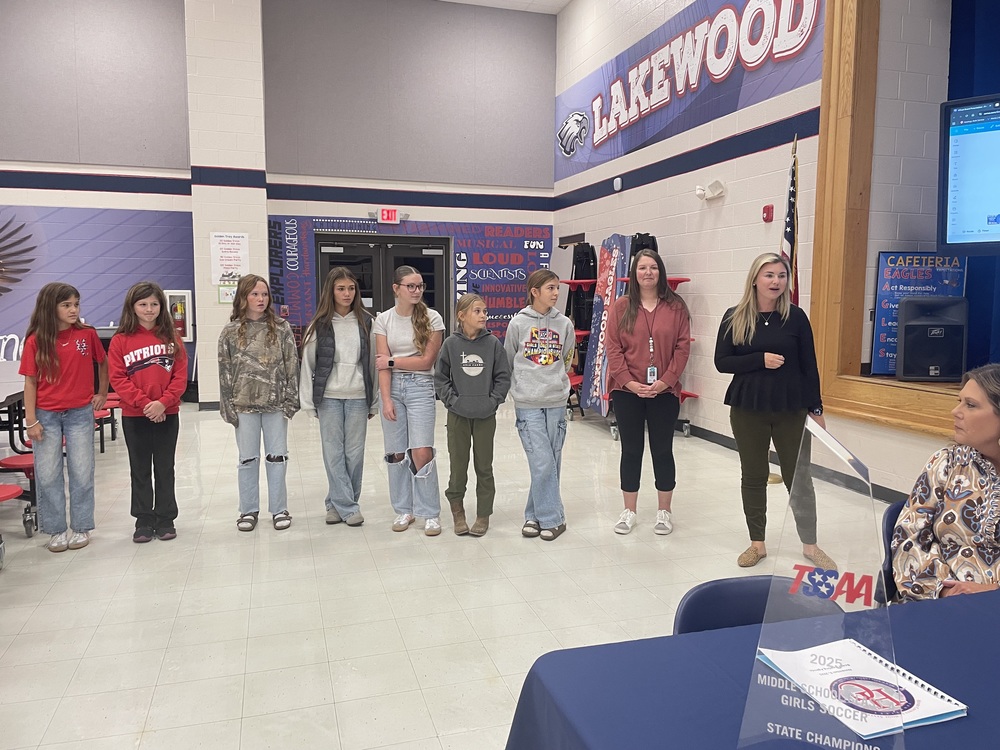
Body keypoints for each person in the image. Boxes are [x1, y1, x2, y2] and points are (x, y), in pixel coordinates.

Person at [714, 252, 835, 569]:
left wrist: (816, 406)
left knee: (800, 478)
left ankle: (810, 545)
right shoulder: (734, 316)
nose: (776, 281)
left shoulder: (796, 318)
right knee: (753, 476)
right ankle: (757, 544)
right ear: (755, 279)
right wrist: (759, 360)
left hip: (790, 408)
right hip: (747, 407)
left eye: (781, 275)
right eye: (769, 275)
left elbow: (810, 365)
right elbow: (722, 362)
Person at [892, 364, 1000, 601]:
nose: (955, 411)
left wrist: (991, 593)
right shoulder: (947, 463)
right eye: (959, 401)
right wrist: (943, 590)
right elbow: (909, 536)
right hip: (937, 601)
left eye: (970, 405)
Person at [606, 249, 691, 535]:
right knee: (631, 450)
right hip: (626, 391)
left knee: (662, 450)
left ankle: (664, 512)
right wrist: (629, 383)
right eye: (642, 268)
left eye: (653, 268)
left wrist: (666, 381)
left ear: (660, 272)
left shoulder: (676, 306)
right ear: (634, 273)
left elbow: (682, 347)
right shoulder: (621, 307)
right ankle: (629, 510)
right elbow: (613, 349)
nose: (648, 273)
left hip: (663, 392)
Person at [19, 282, 108, 552]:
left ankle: (81, 527)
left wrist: (102, 392)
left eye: (76, 304)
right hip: (45, 416)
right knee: (48, 475)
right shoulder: (36, 340)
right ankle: (56, 530)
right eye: (66, 305)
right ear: (50, 307)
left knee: (81, 472)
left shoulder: (87, 334)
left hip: (79, 413)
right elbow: (30, 382)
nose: (73, 310)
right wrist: (31, 420)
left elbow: (102, 362)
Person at [108, 281, 189, 543]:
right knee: (140, 468)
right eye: (143, 304)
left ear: (161, 307)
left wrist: (163, 403)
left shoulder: (172, 338)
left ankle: (166, 518)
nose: (149, 309)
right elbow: (118, 379)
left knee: (165, 467)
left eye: (154, 304)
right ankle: (143, 519)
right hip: (135, 415)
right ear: (132, 307)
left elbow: (180, 377)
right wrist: (146, 404)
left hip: (167, 413)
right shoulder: (120, 341)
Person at [218, 274, 299, 532]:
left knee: (277, 458)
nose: (260, 299)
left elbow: (291, 364)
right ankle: (248, 510)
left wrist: (291, 400)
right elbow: (224, 370)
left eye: (264, 294)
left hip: (275, 404)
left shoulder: (282, 327)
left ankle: (279, 508)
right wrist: (227, 405)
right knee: (247, 459)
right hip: (243, 406)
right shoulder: (230, 332)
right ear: (243, 297)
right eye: (254, 294)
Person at [300, 267, 377, 527]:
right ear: (331, 292)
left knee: (354, 454)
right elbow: (308, 366)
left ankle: (336, 504)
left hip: (358, 397)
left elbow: (372, 364)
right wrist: (308, 402)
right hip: (329, 398)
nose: (347, 293)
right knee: (333, 453)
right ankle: (348, 507)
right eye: (341, 289)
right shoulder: (319, 324)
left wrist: (374, 399)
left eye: (351, 288)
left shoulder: (367, 322)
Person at [504, 268, 575, 541]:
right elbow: (509, 357)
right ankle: (553, 519)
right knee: (542, 460)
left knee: (551, 459)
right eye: (550, 288)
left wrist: (555, 380)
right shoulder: (518, 323)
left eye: (557, 288)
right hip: (527, 402)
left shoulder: (565, 324)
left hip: (556, 400)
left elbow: (566, 358)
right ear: (534, 292)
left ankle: (533, 515)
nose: (556, 293)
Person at [374, 265, 446, 535]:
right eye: (411, 286)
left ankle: (430, 513)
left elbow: (426, 361)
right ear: (396, 289)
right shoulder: (383, 320)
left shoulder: (432, 318)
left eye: (420, 286)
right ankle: (404, 510)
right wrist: (386, 400)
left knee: (421, 450)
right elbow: (381, 366)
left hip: (421, 386)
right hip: (392, 388)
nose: (416, 291)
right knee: (396, 453)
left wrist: (393, 360)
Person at [435, 293, 511, 536]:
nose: (483, 316)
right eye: (477, 311)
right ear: (462, 316)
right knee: (458, 466)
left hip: (485, 416)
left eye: (484, 311)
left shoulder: (493, 344)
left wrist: (493, 401)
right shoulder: (450, 344)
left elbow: (503, 377)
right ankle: (457, 511)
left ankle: (483, 514)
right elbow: (440, 379)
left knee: (484, 466)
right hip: (457, 415)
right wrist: (453, 401)